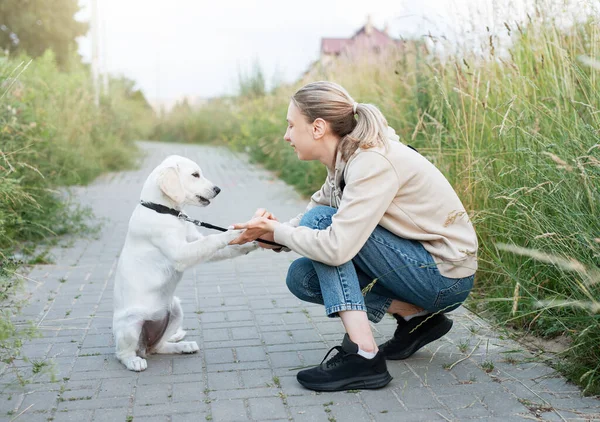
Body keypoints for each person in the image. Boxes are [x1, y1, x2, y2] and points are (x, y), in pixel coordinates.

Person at [230, 81, 478, 392]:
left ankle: (364, 357)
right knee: (302, 277)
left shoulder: (372, 162)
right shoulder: (344, 159)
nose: (286, 135)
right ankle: (418, 319)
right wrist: (264, 234)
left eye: (292, 125)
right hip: (419, 267)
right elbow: (316, 210)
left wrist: (281, 232)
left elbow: (332, 243)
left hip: (445, 276)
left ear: (318, 127)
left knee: (321, 224)